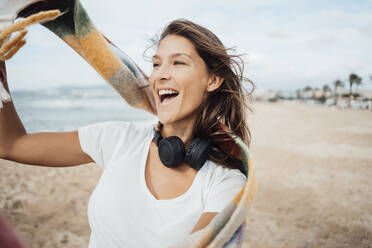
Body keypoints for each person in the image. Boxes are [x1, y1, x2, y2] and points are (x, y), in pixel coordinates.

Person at [0, 18, 253, 247]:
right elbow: (10, 144)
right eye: (156, 64)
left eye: (178, 62)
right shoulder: (118, 138)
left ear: (212, 80)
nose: (160, 75)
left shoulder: (225, 183)